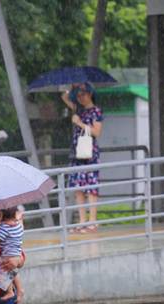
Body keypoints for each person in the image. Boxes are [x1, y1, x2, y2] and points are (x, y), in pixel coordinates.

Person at [61, 82, 104, 234]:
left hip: (90, 153)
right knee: (78, 187)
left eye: (83, 94)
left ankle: (92, 220)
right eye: (78, 96)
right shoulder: (78, 109)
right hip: (77, 152)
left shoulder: (96, 111)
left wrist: (79, 123)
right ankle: (82, 220)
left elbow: (96, 132)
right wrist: (72, 87)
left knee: (90, 187)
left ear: (90, 94)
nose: (81, 98)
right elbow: (64, 97)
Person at [0, 206, 25, 299]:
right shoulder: (18, 226)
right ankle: (19, 289)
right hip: (16, 251)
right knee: (12, 272)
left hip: (8, 254)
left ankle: (10, 291)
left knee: (2, 270)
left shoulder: (4, 227)